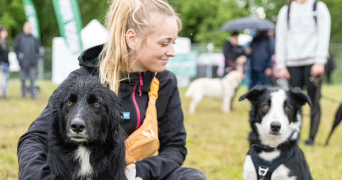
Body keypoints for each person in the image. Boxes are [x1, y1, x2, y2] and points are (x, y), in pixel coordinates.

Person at [17, 0, 207, 180]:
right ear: (132, 38)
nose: (172, 51)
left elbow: (175, 148)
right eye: (164, 43)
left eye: (173, 42)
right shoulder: (80, 80)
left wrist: (138, 172)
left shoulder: (165, 82)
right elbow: (34, 139)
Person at [276, 0, 331, 145]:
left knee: (314, 101)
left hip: (313, 62)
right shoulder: (286, 11)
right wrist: (281, 65)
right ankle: (294, 136)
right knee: (293, 102)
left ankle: (311, 138)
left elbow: (324, 34)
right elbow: (280, 38)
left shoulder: (318, 7)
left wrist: (320, 60)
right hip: (292, 63)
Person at [14, 22, 40, 99]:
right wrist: (20, 60)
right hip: (23, 64)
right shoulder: (19, 38)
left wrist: (35, 60)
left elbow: (38, 51)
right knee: (23, 79)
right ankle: (24, 94)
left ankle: (32, 94)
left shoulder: (34, 39)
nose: (29, 29)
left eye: (30, 28)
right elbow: (16, 50)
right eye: (27, 28)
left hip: (32, 64)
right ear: (24, 28)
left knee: (32, 79)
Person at [0, 27, 10, 99]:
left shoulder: (5, 42)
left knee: (5, 79)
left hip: (6, 63)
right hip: (1, 64)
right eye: (4, 32)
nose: (5, 33)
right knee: (1, 80)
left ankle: (4, 94)